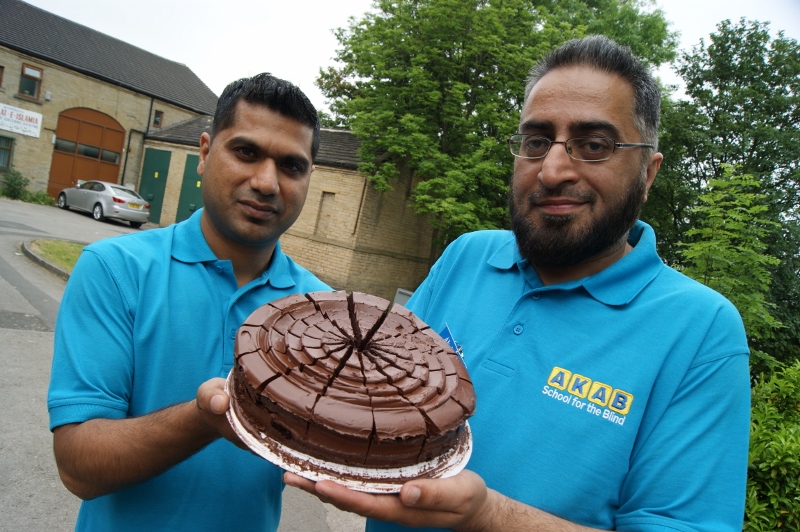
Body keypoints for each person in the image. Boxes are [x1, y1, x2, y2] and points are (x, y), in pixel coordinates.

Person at [285, 35, 751, 531]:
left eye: (594, 145)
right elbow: (374, 384)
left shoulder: (701, 330)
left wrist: (486, 516)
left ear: (648, 171)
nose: (551, 171)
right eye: (535, 141)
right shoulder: (468, 255)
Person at [47, 73, 330, 531]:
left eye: (291, 166)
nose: (266, 182)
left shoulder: (321, 310)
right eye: (246, 152)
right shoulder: (115, 270)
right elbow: (79, 466)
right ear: (203, 152)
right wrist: (207, 417)